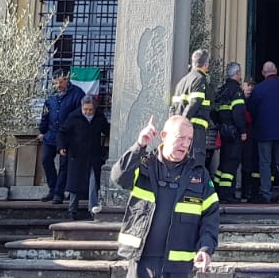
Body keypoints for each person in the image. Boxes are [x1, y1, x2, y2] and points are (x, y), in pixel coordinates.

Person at [110, 115, 220, 277]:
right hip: (142, 261)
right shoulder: (145, 163)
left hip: (179, 266)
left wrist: (206, 247)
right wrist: (139, 146)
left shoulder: (199, 174)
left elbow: (211, 216)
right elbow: (119, 178)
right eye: (180, 137)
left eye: (189, 139)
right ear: (164, 136)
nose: (185, 144)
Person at [247, 61, 279, 203]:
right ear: (276, 71)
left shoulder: (259, 89)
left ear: (263, 73)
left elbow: (251, 108)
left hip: (264, 131)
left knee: (265, 163)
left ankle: (265, 193)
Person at [59, 95, 110, 221]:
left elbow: (107, 130)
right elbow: (63, 132)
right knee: (75, 184)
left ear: (95, 109)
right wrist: (61, 147)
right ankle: (72, 210)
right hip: (77, 155)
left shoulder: (99, 117)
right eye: (85, 109)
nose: (87, 112)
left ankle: (93, 209)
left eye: (90, 110)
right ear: (81, 107)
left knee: (93, 182)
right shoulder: (74, 117)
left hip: (93, 155)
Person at [39, 71, 86, 203]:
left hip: (68, 138)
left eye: (60, 82)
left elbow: (80, 116)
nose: (58, 85)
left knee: (64, 166)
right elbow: (45, 114)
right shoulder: (50, 94)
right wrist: (42, 130)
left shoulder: (77, 93)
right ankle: (52, 189)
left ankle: (58, 194)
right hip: (51, 135)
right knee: (46, 160)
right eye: (55, 83)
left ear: (67, 80)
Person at [170, 49, 214, 166]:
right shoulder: (200, 80)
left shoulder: (182, 81)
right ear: (206, 64)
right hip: (195, 129)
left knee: (182, 159)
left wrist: (175, 126)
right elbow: (195, 102)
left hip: (181, 130)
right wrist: (184, 123)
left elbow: (173, 107)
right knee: (196, 159)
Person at [212, 62, 248, 203]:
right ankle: (226, 193)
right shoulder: (236, 91)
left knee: (223, 162)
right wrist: (243, 130)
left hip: (224, 131)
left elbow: (213, 110)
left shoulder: (222, 90)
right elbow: (238, 113)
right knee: (232, 162)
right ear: (237, 73)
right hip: (234, 132)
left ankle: (217, 190)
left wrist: (220, 124)